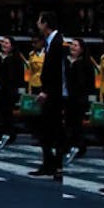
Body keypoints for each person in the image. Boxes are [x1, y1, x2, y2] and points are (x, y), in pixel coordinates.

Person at [30, 12, 67, 178]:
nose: (37, 24)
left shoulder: (59, 42)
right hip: (49, 93)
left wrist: (47, 91)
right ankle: (49, 164)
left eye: (39, 21)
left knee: (54, 131)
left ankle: (55, 165)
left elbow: (58, 72)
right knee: (46, 131)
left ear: (45, 23)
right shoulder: (51, 42)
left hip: (54, 95)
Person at [66, 37, 96, 166]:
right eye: (71, 45)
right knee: (69, 122)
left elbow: (89, 83)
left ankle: (79, 146)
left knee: (77, 123)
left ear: (82, 49)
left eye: (76, 45)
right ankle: (71, 145)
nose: (72, 47)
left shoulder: (86, 63)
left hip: (80, 98)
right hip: (69, 96)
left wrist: (89, 98)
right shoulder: (67, 61)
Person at [0, 35, 26, 149]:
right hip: (0, 89)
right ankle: (0, 133)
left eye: (6, 43)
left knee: (8, 113)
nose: (3, 45)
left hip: (11, 90)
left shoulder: (16, 58)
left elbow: (20, 76)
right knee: (0, 112)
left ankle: (9, 134)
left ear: (12, 46)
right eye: (3, 43)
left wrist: (19, 91)